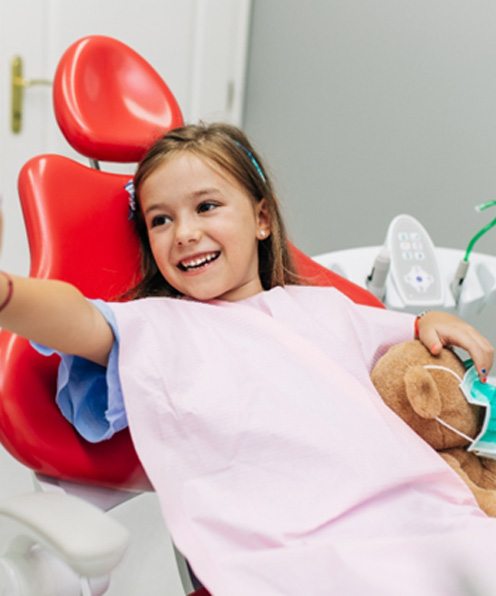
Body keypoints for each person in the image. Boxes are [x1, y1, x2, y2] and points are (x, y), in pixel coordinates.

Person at [0, 122, 495, 595]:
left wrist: (429, 318)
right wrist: (8, 293)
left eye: (207, 206)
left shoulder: (324, 308)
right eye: (161, 219)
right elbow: (78, 319)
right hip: (301, 552)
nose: (185, 233)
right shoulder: (160, 326)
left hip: (425, 520)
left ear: (261, 219)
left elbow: (402, 338)